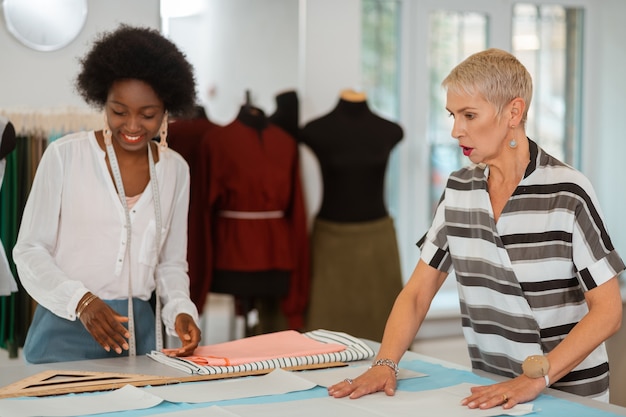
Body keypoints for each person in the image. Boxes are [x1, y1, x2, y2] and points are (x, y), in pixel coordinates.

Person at [328, 48, 625, 408]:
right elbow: (418, 294)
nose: (456, 130)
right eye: (453, 115)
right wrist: (385, 364)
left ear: (513, 112)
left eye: (469, 115)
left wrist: (538, 379)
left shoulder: (567, 191)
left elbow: (608, 312)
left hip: (569, 394)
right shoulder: (459, 189)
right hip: (491, 390)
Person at [12, 25, 202, 363]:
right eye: (119, 111)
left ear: (166, 110)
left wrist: (180, 311)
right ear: (102, 102)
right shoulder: (65, 156)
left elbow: (171, 262)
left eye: (148, 115)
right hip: (64, 325)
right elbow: (29, 250)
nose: (131, 126)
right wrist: (80, 301)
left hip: (138, 333)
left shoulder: (175, 169)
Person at [301, 89, 404, 341]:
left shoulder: (390, 130)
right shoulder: (314, 130)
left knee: (385, 325)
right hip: (330, 244)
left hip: (377, 242)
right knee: (325, 331)